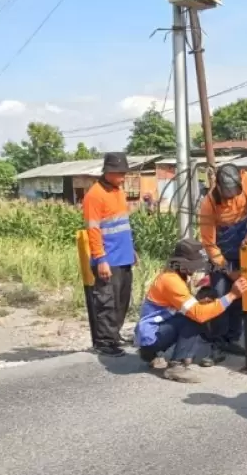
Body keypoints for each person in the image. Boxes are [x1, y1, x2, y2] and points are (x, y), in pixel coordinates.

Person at [135, 239, 247, 383]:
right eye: (193, 264)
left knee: (195, 313)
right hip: (152, 334)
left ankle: (149, 354)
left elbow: (179, 306)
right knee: (195, 319)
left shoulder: (174, 275)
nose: (196, 268)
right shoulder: (171, 280)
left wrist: (201, 303)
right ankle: (177, 365)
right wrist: (231, 295)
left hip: (150, 331)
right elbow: (198, 315)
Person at [198, 163, 247, 364]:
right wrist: (229, 270)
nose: (232, 198)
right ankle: (217, 344)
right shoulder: (208, 204)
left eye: (235, 193)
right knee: (220, 294)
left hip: (245, 245)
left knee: (241, 297)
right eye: (228, 194)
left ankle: (232, 338)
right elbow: (209, 243)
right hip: (220, 254)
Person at [82, 152, 138, 357]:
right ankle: (105, 342)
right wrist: (101, 259)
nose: (123, 177)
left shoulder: (118, 192)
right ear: (107, 172)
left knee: (122, 300)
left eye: (124, 173)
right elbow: (93, 230)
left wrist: (131, 250)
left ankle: (114, 335)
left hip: (123, 256)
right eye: (119, 173)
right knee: (107, 301)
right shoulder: (94, 196)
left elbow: (122, 225)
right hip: (108, 259)